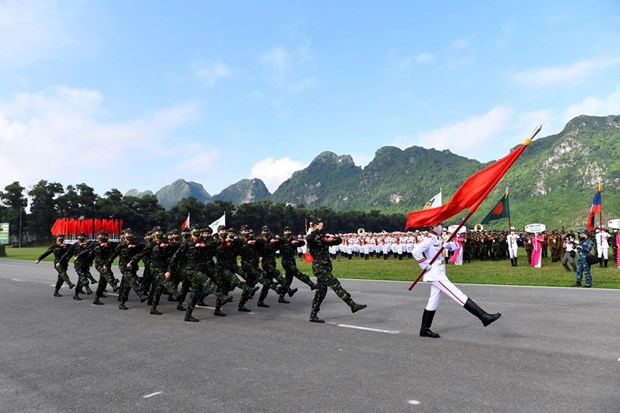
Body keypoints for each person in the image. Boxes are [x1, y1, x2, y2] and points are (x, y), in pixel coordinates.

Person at [412, 222, 501, 338]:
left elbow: (456, 247)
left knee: (433, 301)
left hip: (440, 272)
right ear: (431, 227)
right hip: (434, 274)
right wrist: (425, 265)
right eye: (438, 224)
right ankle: (483, 316)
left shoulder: (438, 239)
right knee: (458, 295)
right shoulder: (429, 240)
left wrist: (449, 244)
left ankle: (424, 329)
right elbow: (415, 251)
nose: (441, 226)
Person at [305, 219, 366, 323]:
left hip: (325, 267)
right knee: (335, 284)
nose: (322, 227)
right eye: (320, 226)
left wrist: (331, 239)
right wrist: (316, 231)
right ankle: (352, 304)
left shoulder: (323, 238)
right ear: (315, 226)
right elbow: (309, 239)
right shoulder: (313, 238)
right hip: (319, 268)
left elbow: (338, 240)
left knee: (321, 292)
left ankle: (313, 315)